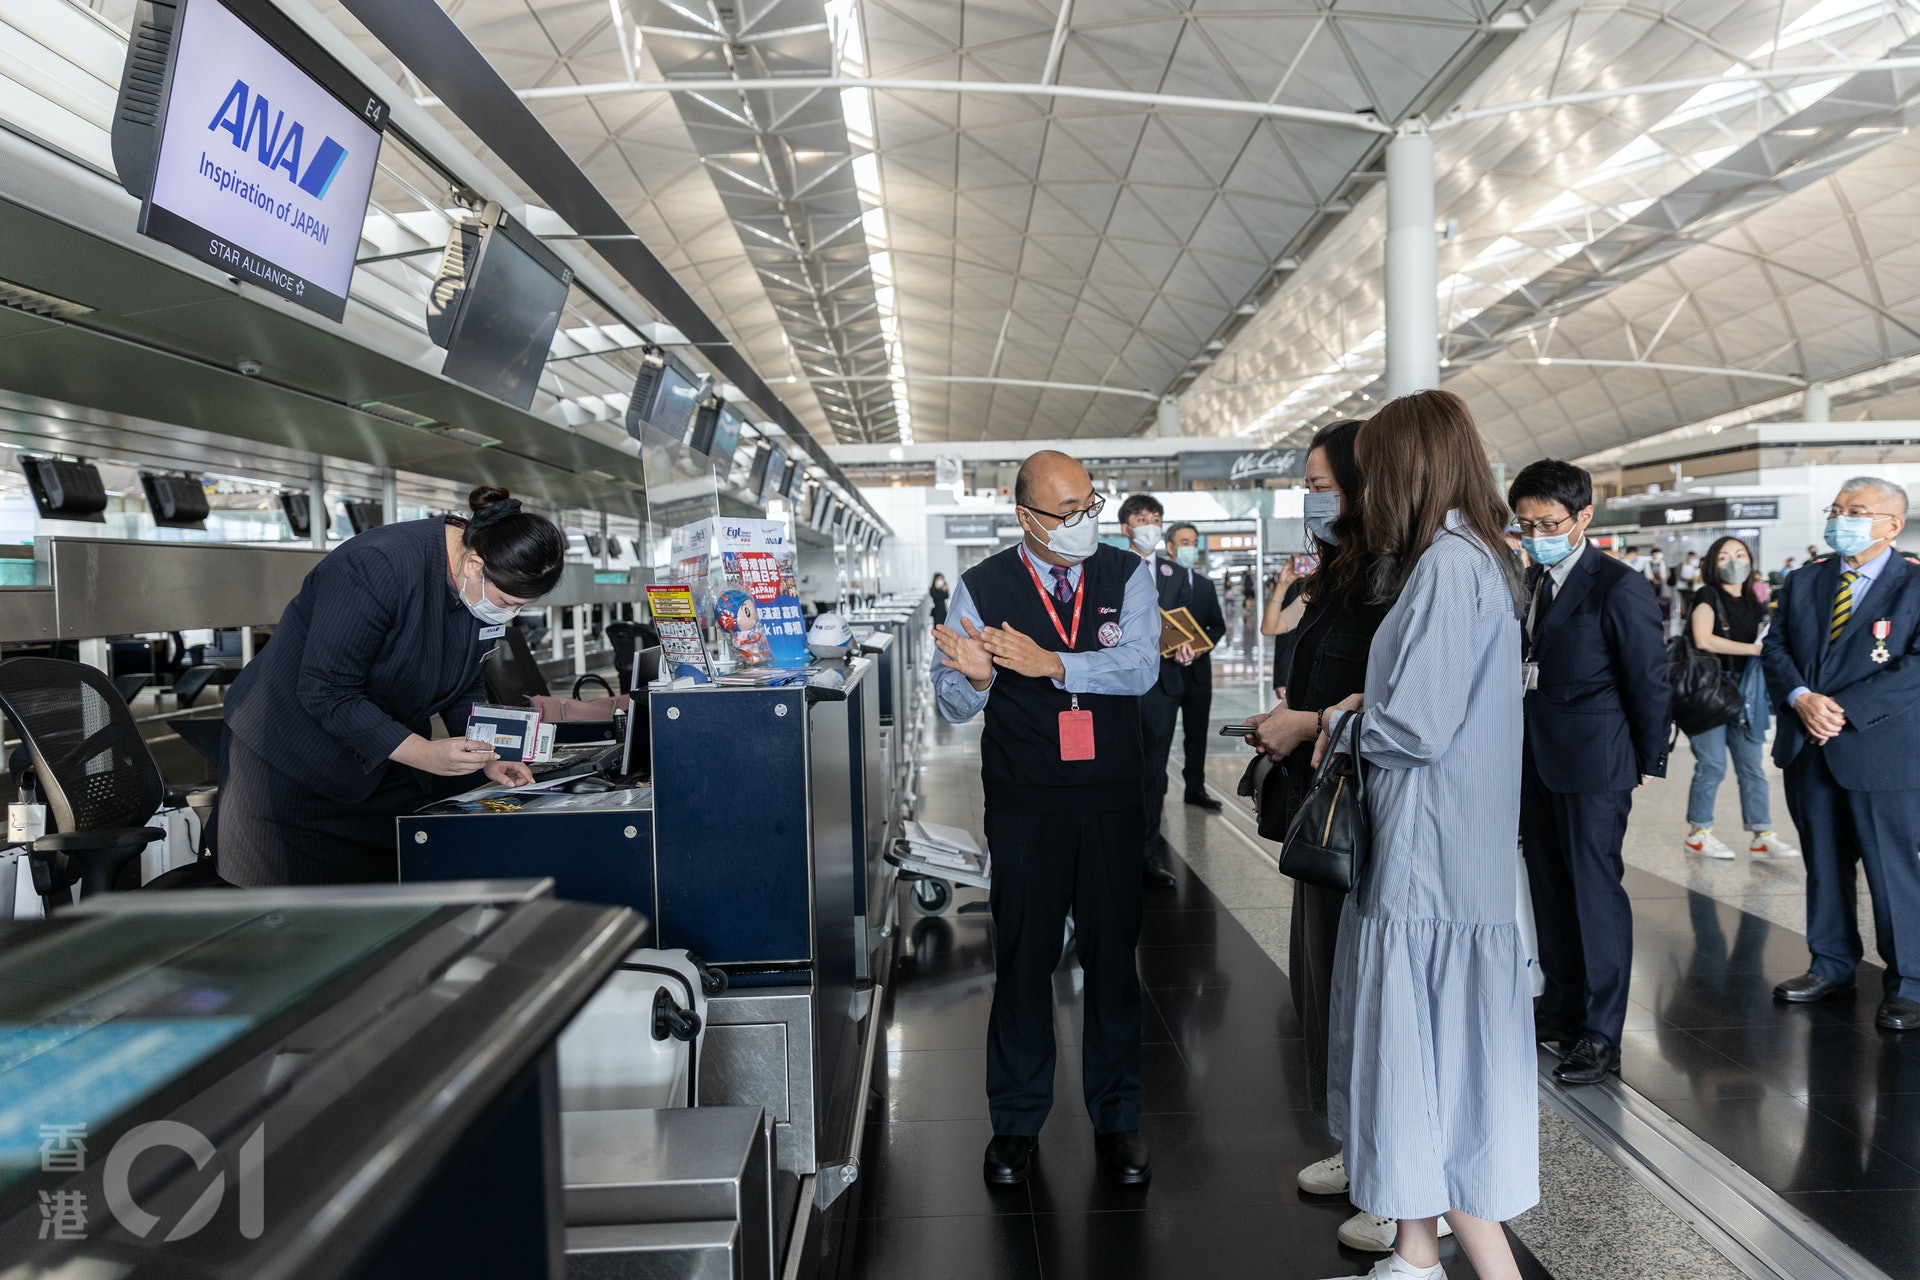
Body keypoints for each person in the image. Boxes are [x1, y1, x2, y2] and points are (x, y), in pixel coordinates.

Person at [1314, 389, 1535, 1280]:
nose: (1362, 494)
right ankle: (1413, 1254)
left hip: (1428, 864)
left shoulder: (1447, 565)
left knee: (1429, 1068)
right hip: (1452, 858)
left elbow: (1418, 729)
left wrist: (1339, 720)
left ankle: (1478, 1265)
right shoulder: (1480, 557)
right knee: (1437, 1064)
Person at [928, 449, 1161, 1186]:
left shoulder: (1127, 576)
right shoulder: (981, 586)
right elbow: (953, 702)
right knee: (1024, 962)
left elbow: (1142, 668)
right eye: (1068, 513)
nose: (1085, 522)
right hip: (1026, 803)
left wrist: (1053, 663)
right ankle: (1017, 1122)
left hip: (1112, 800)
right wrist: (975, 678)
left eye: (1091, 505)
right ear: (1024, 515)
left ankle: (1118, 1117)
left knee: (1113, 962)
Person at [1244, 421, 1435, 1257]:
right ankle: (1359, 1148)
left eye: (1325, 482)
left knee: (1372, 995)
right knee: (1324, 986)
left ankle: (1400, 1188)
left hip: (1373, 807)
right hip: (1323, 797)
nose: (1313, 496)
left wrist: (1308, 720)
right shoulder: (1348, 563)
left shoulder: (1405, 573)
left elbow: (1395, 695)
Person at [218, 486, 565, 886]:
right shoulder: (377, 566)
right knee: (302, 911)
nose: (508, 614)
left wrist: (487, 753)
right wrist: (423, 753)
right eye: (506, 603)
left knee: (403, 879)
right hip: (290, 756)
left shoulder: (477, 587)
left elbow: (463, 683)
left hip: (378, 751)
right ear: (474, 565)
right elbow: (326, 690)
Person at [1509, 459, 1670, 1087]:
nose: (1534, 534)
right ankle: (1562, 1005)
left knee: (1594, 892)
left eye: (1547, 523)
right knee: (1548, 885)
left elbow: (1648, 677)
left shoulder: (1617, 586)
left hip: (1594, 761)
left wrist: (1648, 759)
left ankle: (1602, 1033)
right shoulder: (1529, 582)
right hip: (1534, 758)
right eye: (1523, 524)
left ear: (1583, 517)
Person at [1763, 478, 1920, 1032]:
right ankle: (1831, 964)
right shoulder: (1806, 579)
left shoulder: (1914, 585)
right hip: (1809, 747)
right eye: (1836, 510)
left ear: (1892, 525)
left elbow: (1915, 666)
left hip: (1879, 751)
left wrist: (1843, 709)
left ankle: (1910, 982)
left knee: (1891, 870)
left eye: (1857, 511)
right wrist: (1802, 699)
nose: (1841, 519)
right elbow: (1776, 646)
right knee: (1823, 865)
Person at [1681, 537, 1796, 861]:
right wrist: (1754, 649)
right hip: (1708, 692)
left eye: (1740, 555)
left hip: (1746, 691)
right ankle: (1698, 832)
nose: (1734, 562)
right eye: (1724, 557)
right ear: (1712, 565)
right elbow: (1703, 639)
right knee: (1712, 765)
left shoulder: (1753, 600)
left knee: (1753, 768)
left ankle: (1762, 833)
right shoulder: (1707, 595)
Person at [1118, 492, 1183, 889]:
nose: (1150, 525)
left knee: (1155, 774)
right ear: (1126, 528)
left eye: (1155, 517)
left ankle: (1145, 855)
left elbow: (1186, 621)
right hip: (1120, 686)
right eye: (1142, 518)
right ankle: (1115, 852)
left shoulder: (1175, 574)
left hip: (1163, 685)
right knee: (1121, 769)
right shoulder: (1109, 570)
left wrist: (1187, 647)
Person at [1163, 523, 1228, 812]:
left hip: (1198, 673)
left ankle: (1195, 788)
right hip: (1164, 672)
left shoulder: (1204, 585)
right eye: (1184, 542)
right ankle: (1155, 789)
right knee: (1159, 732)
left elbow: (1218, 624)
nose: (1190, 547)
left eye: (1193, 542)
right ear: (1170, 548)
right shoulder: (1155, 583)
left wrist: (1200, 648)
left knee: (1197, 733)